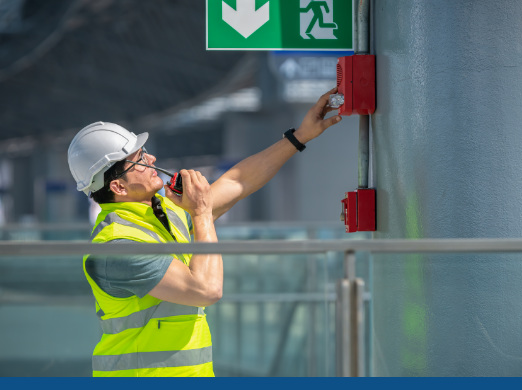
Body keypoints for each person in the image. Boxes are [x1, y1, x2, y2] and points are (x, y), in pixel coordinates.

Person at [67, 88, 342, 377]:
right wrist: (200, 212)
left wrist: (299, 136)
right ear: (118, 188)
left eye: (144, 153)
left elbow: (239, 181)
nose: (151, 160)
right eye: (137, 161)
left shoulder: (165, 213)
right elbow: (206, 290)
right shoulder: (116, 247)